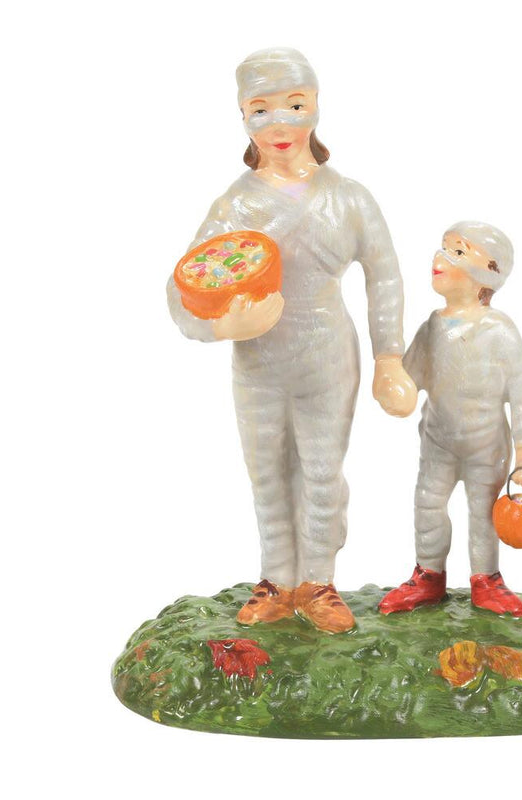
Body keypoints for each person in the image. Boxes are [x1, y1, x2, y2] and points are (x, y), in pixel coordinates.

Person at [167, 48, 417, 633]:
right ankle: (276, 580)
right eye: (261, 109)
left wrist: (388, 358)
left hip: (326, 354)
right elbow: (182, 285)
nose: (279, 123)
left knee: (322, 470)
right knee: (267, 471)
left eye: (295, 105)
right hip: (258, 360)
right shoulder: (236, 204)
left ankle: (318, 582)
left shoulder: (348, 197)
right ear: (242, 116)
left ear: (316, 107)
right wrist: (221, 326)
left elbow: (384, 274)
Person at [378, 221, 522, 617]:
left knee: (483, 512)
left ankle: (486, 579)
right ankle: (428, 575)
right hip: (438, 441)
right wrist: (389, 381)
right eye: (444, 247)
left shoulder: (499, 331)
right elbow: (409, 380)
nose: (441, 257)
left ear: (488, 272)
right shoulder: (432, 328)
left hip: (485, 446)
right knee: (428, 504)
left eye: (457, 252)